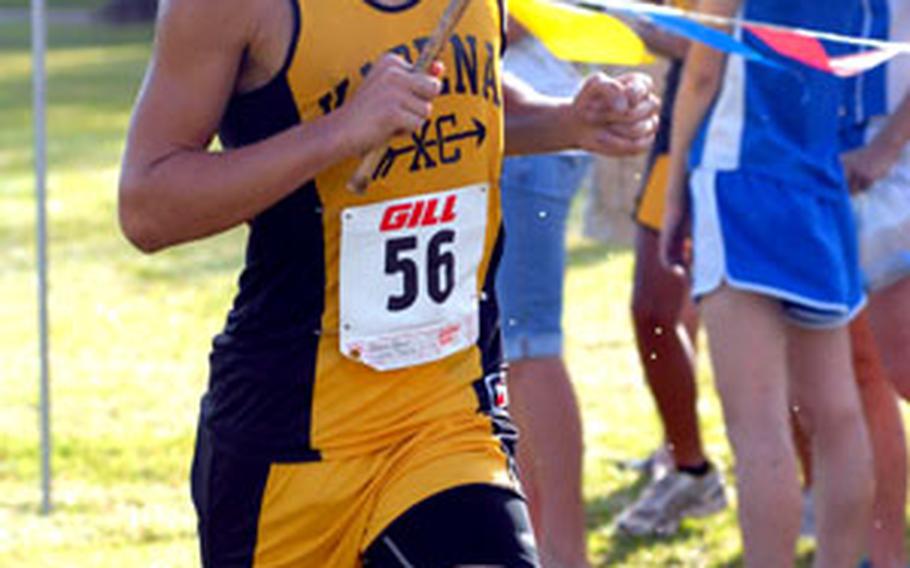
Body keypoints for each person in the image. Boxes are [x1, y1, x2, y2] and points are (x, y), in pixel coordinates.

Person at [117, 0, 660, 565]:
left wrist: (567, 121)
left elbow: (459, 90)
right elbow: (147, 206)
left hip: (447, 417)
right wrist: (342, 131)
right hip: (291, 440)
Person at [661, 0, 873, 565]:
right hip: (819, 186)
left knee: (758, 427)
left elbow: (704, 70)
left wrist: (673, 185)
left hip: (739, 181)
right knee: (838, 414)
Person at [618, 0, 728, 538]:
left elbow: (702, 45)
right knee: (653, 309)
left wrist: (636, 22)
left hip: (751, 130)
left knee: (780, 327)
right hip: (683, 123)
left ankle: (812, 486)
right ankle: (690, 467)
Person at [495, 17, 593, 568]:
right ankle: (538, 545)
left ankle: (564, 555)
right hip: (525, 128)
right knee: (513, 358)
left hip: (534, 129)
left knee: (529, 350)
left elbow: (514, 21)